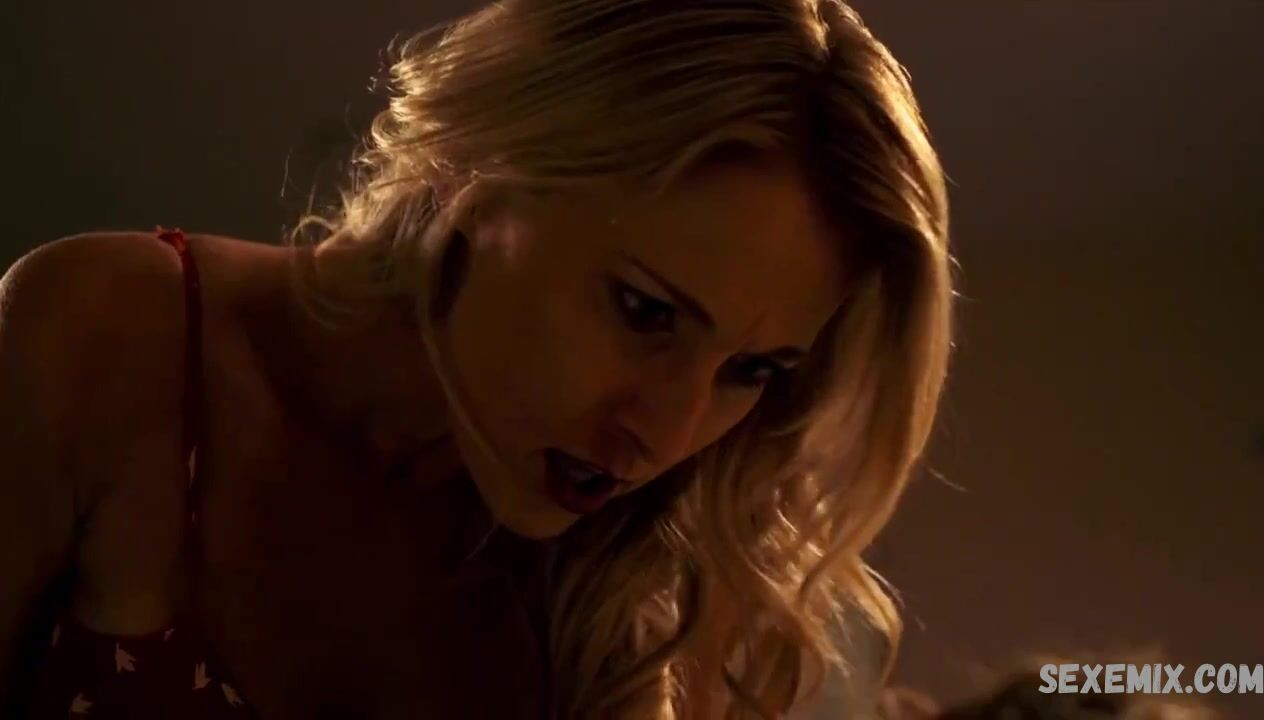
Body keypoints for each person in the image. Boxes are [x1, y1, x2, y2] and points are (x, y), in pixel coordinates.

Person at [0, 0, 952, 717]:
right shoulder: (119, 333)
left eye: (753, 371)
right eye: (645, 312)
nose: (665, 433)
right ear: (477, 174)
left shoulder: (606, 610)